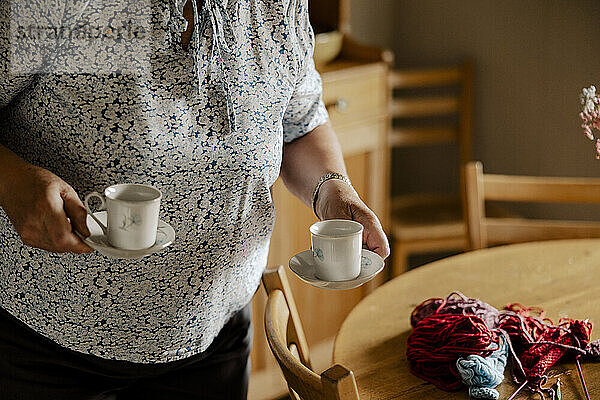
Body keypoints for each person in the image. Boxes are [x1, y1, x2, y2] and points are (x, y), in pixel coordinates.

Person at [0, 0, 390, 399]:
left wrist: (333, 191)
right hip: (48, 343)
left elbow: (301, 121)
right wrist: (12, 181)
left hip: (215, 334)